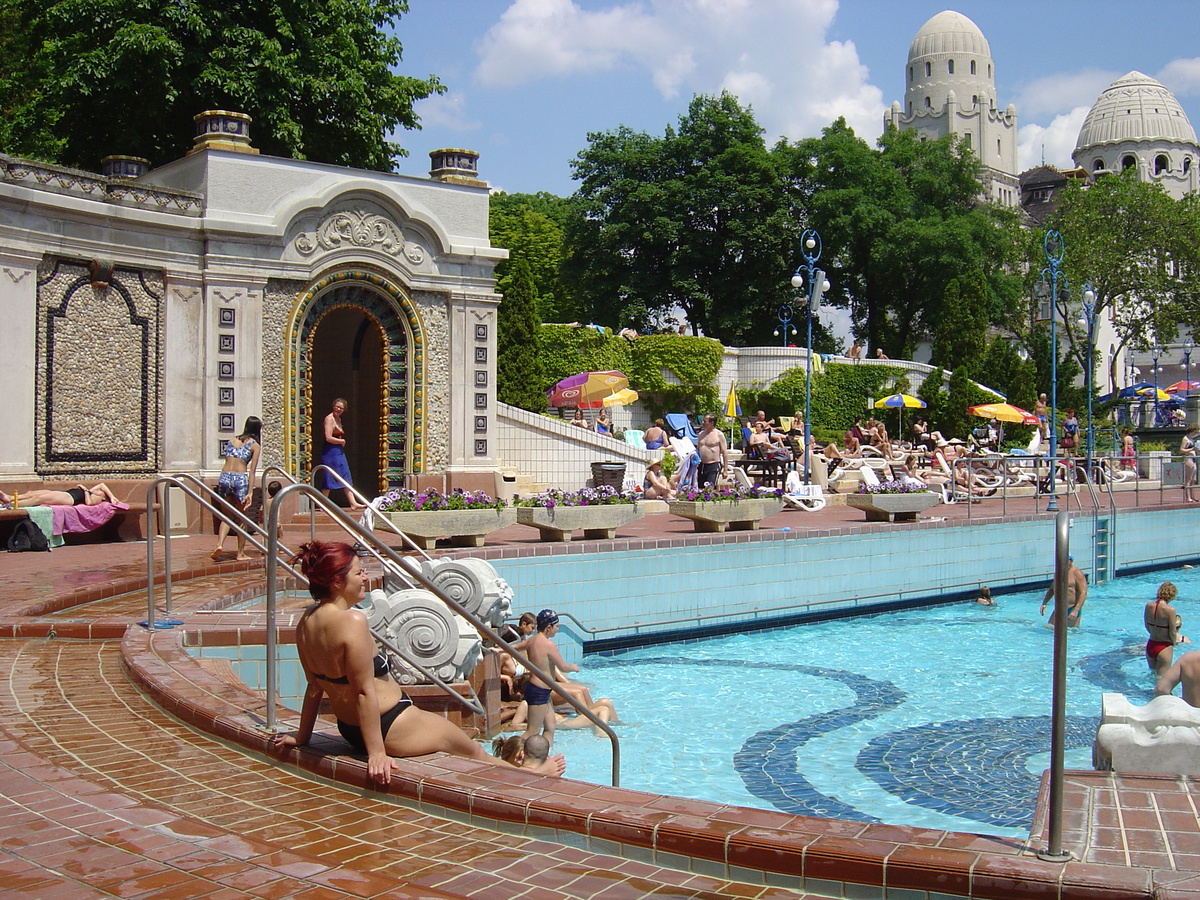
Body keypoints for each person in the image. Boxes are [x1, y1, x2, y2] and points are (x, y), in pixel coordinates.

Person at [269, 541, 528, 782]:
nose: (365, 578)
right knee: (475, 753)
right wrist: (377, 753)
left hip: (350, 728)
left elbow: (314, 686)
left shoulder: (307, 620)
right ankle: (534, 777)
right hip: (391, 725)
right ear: (337, 581)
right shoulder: (352, 622)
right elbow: (362, 691)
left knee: (467, 751)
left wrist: (302, 737)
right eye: (358, 573)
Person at [522, 609, 579, 747]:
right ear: (548, 627)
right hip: (538, 691)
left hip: (541, 690)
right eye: (556, 626)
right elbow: (563, 667)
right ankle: (511, 752)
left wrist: (498, 650)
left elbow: (514, 647)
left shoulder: (532, 640)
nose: (557, 629)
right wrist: (573, 667)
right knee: (532, 731)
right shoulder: (548, 645)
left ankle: (544, 755)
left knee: (551, 726)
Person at [211, 416, 262, 561]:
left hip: (225, 477)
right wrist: (250, 492)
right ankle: (240, 553)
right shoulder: (254, 445)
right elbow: (252, 471)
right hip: (240, 479)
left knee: (226, 516)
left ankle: (220, 544)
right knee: (241, 518)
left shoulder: (233, 440)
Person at [319, 398, 366, 512]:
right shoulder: (329, 419)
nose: (338, 409)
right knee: (329, 476)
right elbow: (328, 437)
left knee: (345, 475)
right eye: (337, 406)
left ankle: (353, 502)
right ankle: (322, 504)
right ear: (333, 405)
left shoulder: (338, 419)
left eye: (341, 408)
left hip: (338, 452)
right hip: (330, 452)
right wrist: (341, 441)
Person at [1145, 581, 1189, 676]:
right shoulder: (1170, 610)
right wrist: (1173, 642)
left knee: (1152, 676)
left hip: (1151, 644)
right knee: (1162, 679)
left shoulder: (1149, 606)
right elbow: (1172, 631)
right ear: (1172, 594)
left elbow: (1147, 626)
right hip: (1164, 646)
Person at [1039, 556, 1088, 627]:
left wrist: (1076, 610)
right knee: (1048, 628)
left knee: (1071, 634)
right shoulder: (1059, 572)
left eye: (1065, 560)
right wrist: (1044, 603)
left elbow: (1083, 593)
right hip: (1059, 609)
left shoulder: (1076, 573)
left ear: (1071, 561)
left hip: (1072, 608)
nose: (1062, 563)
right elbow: (1052, 589)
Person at [0, 482, 117, 509]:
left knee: (39, 499)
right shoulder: (96, 492)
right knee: (32, 493)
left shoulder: (98, 498)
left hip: (70, 498)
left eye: (101, 492)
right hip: (66, 493)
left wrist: (86, 490)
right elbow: (102, 485)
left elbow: (89, 503)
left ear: (103, 497)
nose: (99, 490)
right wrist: (112, 496)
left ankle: (12, 505)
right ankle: (9, 497)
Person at [696, 414, 728, 486]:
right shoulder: (701, 434)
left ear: (712, 423)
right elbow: (697, 450)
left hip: (714, 464)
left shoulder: (719, 434)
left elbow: (724, 452)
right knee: (700, 487)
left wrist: (725, 470)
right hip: (702, 464)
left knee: (710, 488)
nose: (702, 423)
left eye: (705, 421)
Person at [1182, 425, 1198, 502]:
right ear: (1191, 431)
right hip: (1188, 459)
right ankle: (1188, 497)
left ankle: (1193, 496)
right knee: (1188, 479)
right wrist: (1191, 449)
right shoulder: (1185, 439)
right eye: (1195, 432)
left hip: (1193, 459)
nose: (1196, 433)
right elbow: (1181, 450)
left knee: (1194, 479)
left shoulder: (1192, 439)